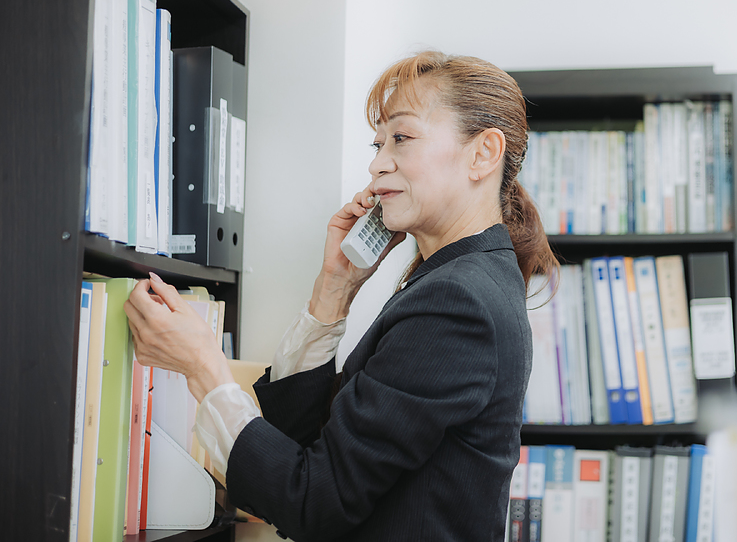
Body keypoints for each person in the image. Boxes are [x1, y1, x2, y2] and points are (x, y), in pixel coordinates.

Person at [124, 51, 558, 542]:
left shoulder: (459, 302)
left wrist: (203, 367)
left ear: (482, 154)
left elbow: (314, 502)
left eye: (402, 137)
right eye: (378, 143)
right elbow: (307, 449)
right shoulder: (457, 281)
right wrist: (335, 290)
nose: (377, 164)